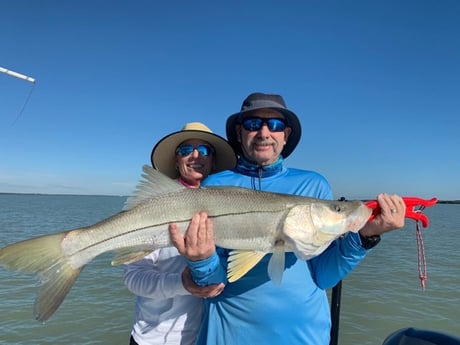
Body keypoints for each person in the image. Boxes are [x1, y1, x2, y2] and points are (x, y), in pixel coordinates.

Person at [169, 93, 407, 345]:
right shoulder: (216, 185)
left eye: (274, 125)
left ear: (286, 134)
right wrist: (200, 261)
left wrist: (364, 236)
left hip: (303, 335)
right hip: (229, 334)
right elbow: (212, 283)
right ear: (239, 132)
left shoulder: (313, 185)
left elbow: (324, 276)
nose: (263, 132)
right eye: (252, 124)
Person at [124, 122, 236, 345]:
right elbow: (133, 277)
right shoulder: (153, 206)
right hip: (155, 340)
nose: (195, 156)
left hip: (210, 337)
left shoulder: (233, 202)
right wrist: (181, 284)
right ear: (176, 159)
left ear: (213, 159)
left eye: (204, 150)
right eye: (186, 150)